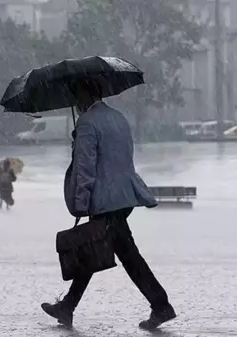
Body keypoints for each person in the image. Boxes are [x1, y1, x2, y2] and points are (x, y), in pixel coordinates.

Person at [40, 79, 176, 330]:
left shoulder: (88, 123)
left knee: (124, 255)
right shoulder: (118, 118)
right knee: (94, 250)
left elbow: (85, 167)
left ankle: (161, 305)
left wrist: (81, 202)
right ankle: (67, 307)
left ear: (84, 93)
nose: (75, 101)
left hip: (105, 200)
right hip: (124, 196)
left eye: (76, 93)